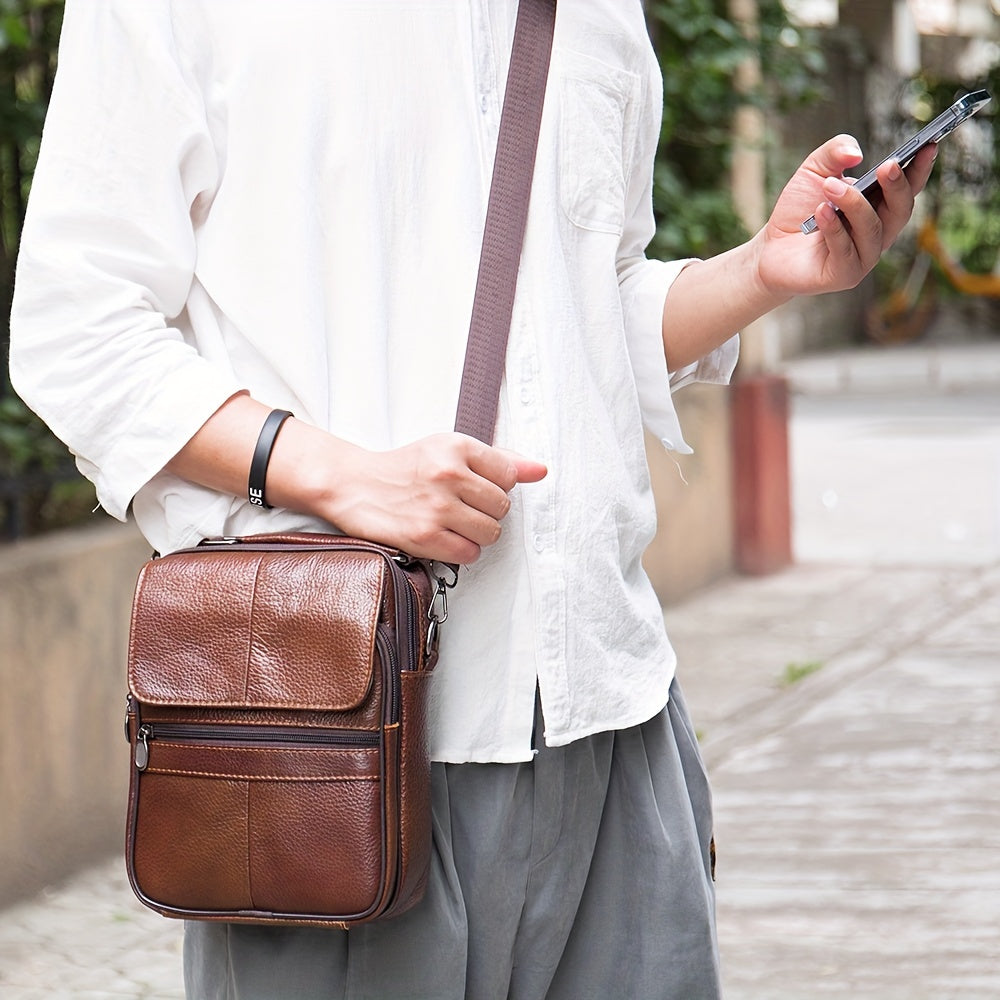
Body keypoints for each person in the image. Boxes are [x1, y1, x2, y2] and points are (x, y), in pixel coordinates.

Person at [8, 2, 934, 998]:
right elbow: (78, 328)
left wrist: (759, 271)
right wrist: (336, 471)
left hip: (611, 720)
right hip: (336, 745)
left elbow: (579, 317)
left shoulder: (594, 16)